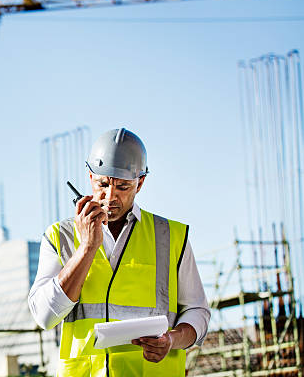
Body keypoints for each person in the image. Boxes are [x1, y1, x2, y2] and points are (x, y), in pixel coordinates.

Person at [28, 128, 210, 377]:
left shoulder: (170, 236)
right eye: (102, 184)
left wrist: (172, 340)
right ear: (90, 176)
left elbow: (198, 311)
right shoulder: (60, 237)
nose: (110, 196)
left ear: (141, 182)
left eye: (123, 187)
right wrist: (87, 248)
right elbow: (45, 316)